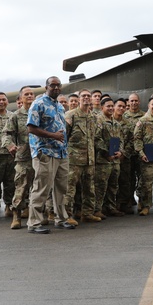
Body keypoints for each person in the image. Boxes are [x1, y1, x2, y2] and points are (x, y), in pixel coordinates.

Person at [26, 76, 74, 234]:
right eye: (52, 85)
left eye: (58, 85)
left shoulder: (60, 106)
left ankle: (61, 219)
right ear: (46, 87)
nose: (56, 88)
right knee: (41, 187)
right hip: (45, 152)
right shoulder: (38, 104)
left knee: (61, 188)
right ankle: (34, 223)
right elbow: (31, 128)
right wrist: (53, 135)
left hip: (61, 152)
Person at [64, 90, 100, 224]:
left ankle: (87, 213)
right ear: (79, 99)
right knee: (69, 188)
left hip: (89, 159)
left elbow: (93, 137)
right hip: (73, 160)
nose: (86, 98)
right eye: (83, 96)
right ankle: (66, 216)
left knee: (89, 188)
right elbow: (63, 138)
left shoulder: (93, 116)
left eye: (88, 96)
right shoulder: (70, 115)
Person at [4, 86, 36, 230]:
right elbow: (6, 134)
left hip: (41, 157)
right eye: (26, 94)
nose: (29, 96)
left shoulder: (39, 113)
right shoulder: (16, 115)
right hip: (23, 157)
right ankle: (16, 215)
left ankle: (37, 215)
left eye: (31, 94)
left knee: (40, 188)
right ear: (21, 98)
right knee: (21, 188)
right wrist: (10, 145)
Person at [94, 97, 124, 218]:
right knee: (100, 186)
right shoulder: (98, 121)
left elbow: (121, 139)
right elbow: (96, 139)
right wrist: (106, 152)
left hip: (115, 160)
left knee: (113, 185)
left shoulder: (116, 123)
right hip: (103, 159)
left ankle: (111, 207)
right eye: (108, 106)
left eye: (112, 106)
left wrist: (120, 151)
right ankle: (97, 209)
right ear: (102, 108)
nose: (111, 108)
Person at [117, 93, 144, 214]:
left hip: (140, 153)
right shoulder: (124, 116)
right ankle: (128, 199)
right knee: (128, 178)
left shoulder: (144, 116)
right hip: (127, 154)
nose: (134, 103)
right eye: (131, 101)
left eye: (136, 101)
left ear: (139, 102)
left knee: (142, 178)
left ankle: (141, 201)